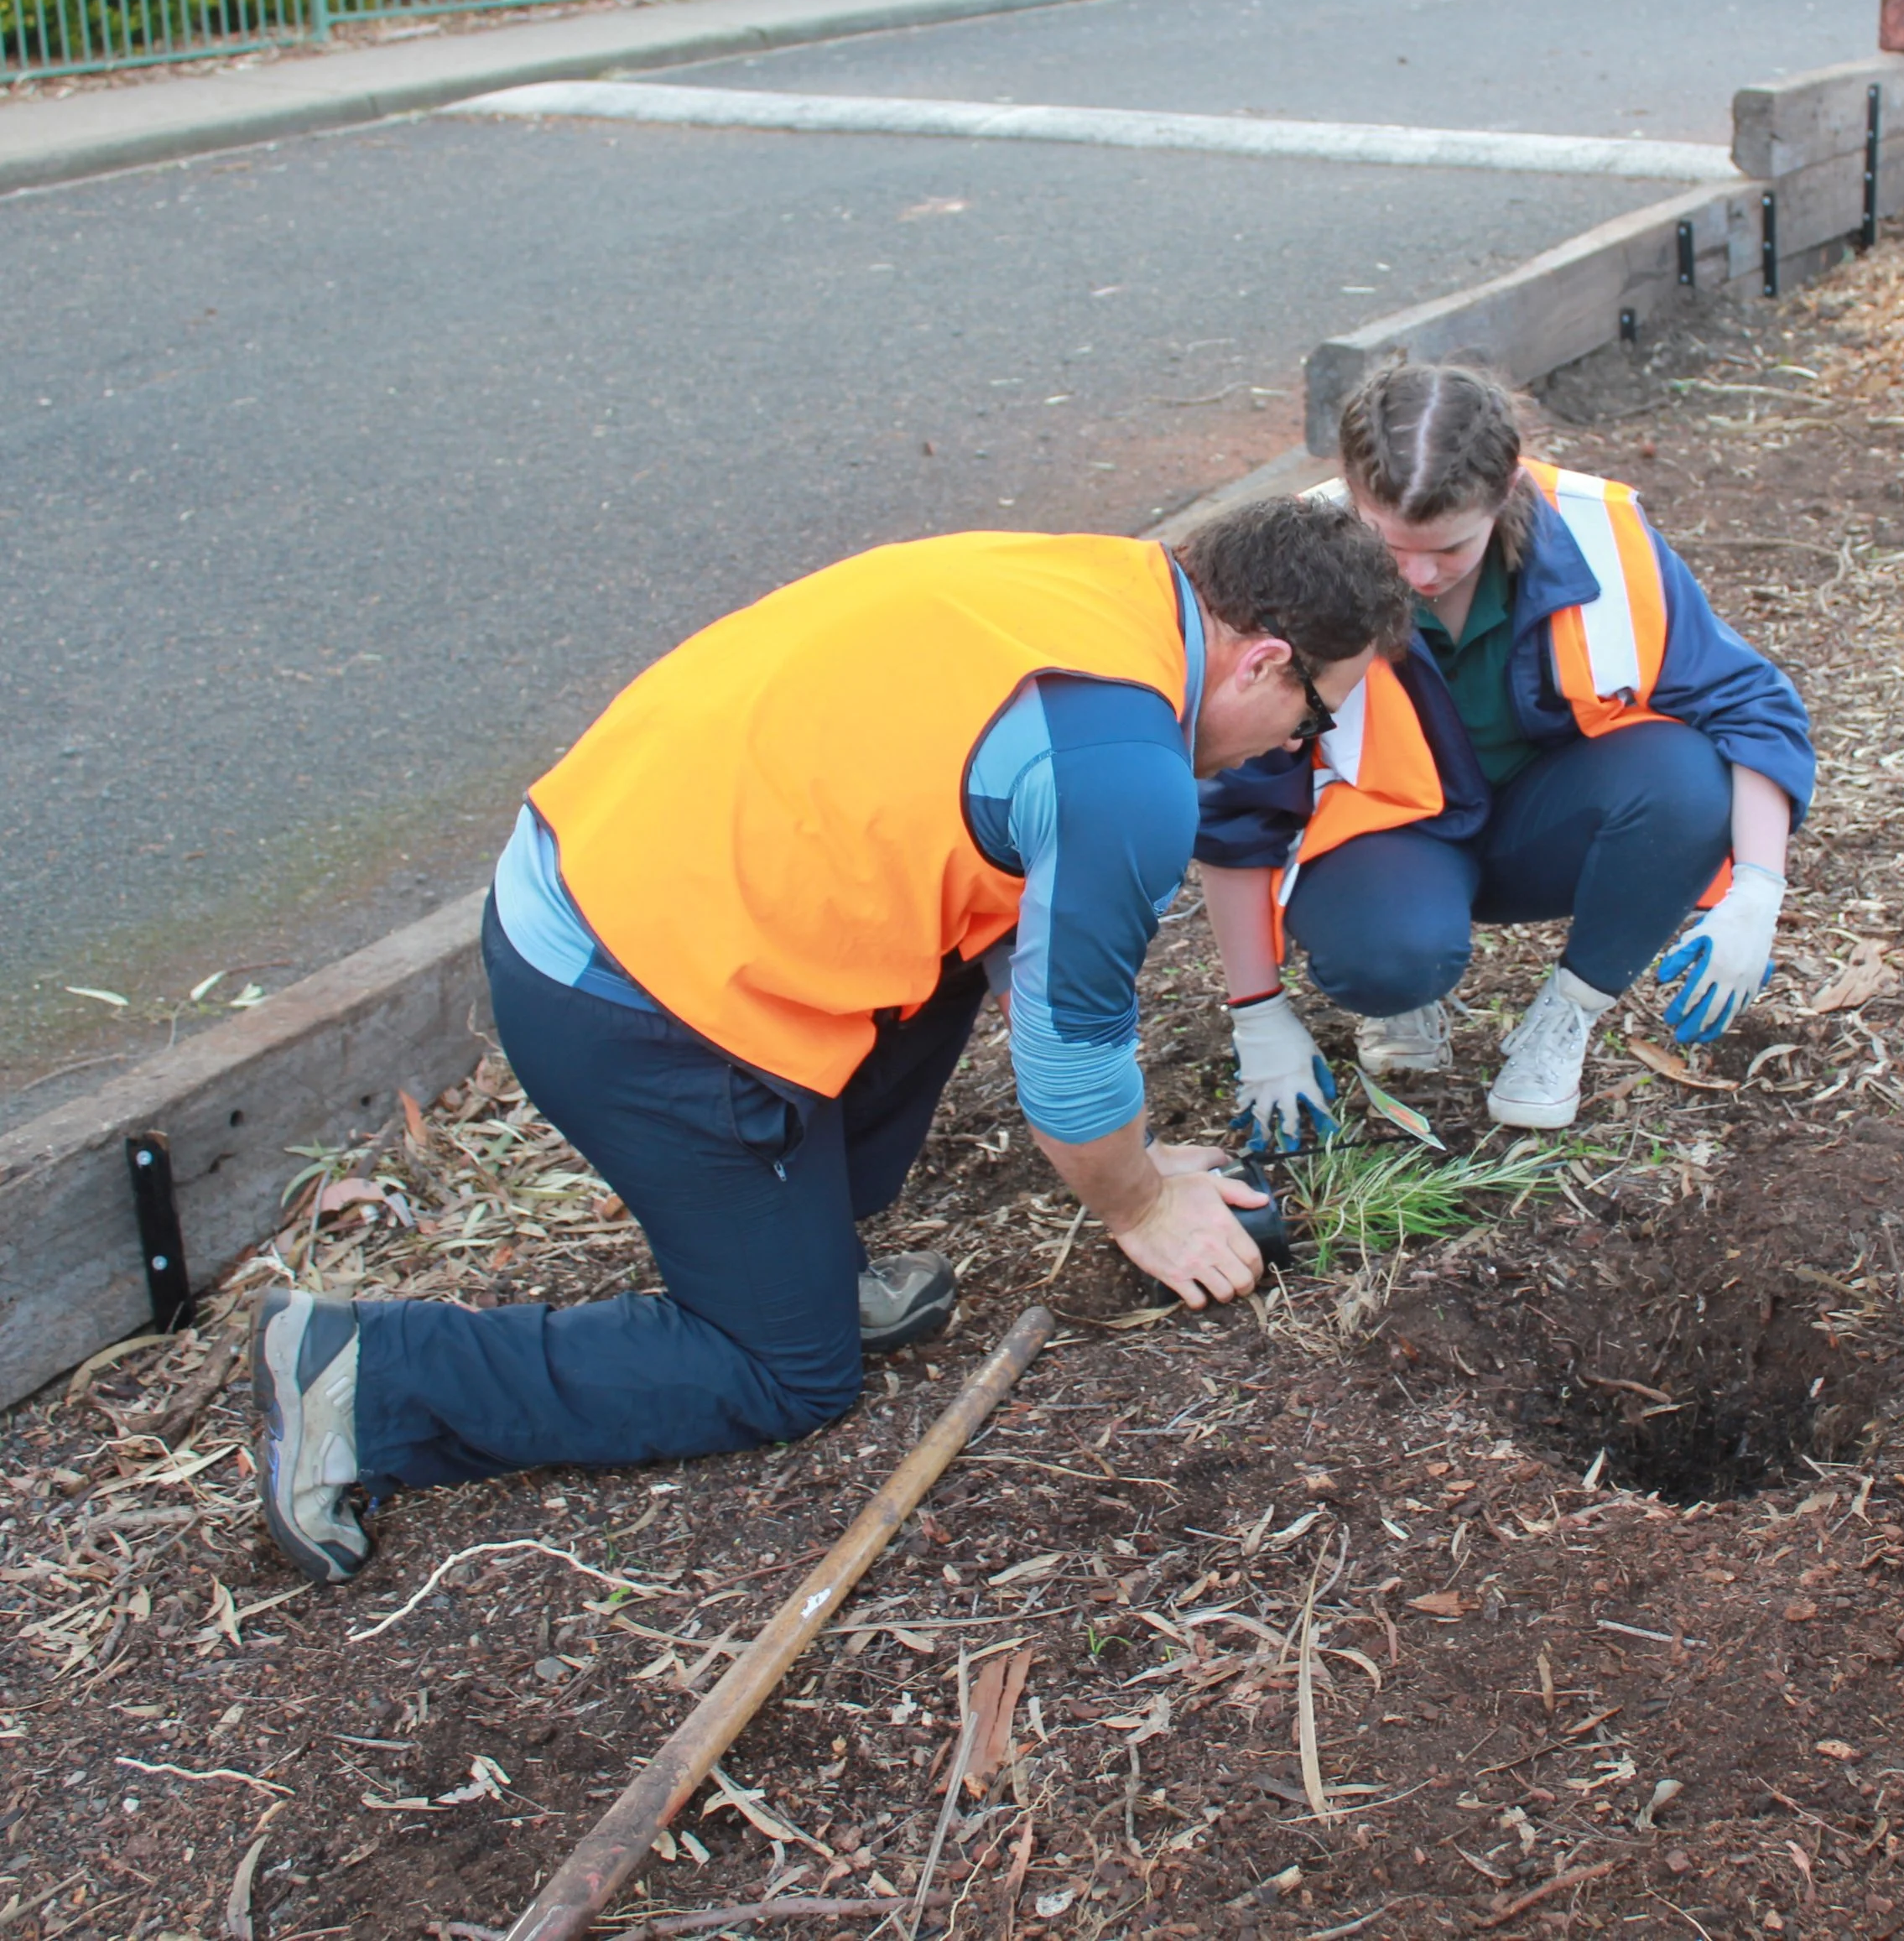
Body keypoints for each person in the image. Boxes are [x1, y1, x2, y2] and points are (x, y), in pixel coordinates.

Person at [249, 503, 1412, 1585]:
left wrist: (1133, 1155)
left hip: (605, 863)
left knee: (973, 925)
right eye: (1311, 717)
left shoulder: (1101, 587)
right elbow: (1067, 1054)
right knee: (783, 1372)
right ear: (1263, 659)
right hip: (630, 998)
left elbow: (1012, 919)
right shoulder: (1124, 775)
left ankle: (795, 1243)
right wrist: (1141, 1203)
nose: (1289, 748)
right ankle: (368, 1376)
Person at [1199, 362, 1815, 1146]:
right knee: (1386, 958)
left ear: (1506, 490)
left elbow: (1749, 706)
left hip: (1546, 823)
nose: (1417, 577)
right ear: (1351, 493)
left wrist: (1758, 890)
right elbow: (1232, 806)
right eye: (1391, 545)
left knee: (1689, 779)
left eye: (1449, 548)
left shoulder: (1599, 534)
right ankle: (1406, 991)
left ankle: (1567, 1015)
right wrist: (1257, 1015)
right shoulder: (1291, 564)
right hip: (1384, 838)